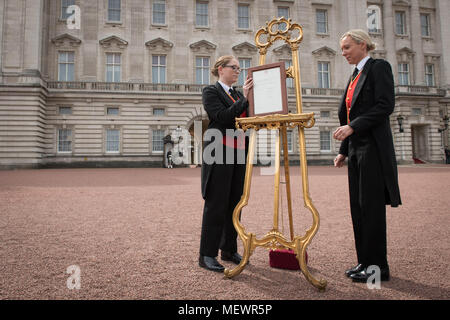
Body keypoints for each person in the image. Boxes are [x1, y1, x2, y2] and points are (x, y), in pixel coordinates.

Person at [333, 30, 401, 283]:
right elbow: (347, 113)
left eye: (347, 47)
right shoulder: (355, 75)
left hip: (373, 147)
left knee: (371, 209)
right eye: (342, 49)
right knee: (358, 207)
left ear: (363, 44)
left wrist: (354, 127)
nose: (344, 53)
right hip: (356, 149)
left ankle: (378, 268)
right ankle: (364, 261)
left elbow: (385, 106)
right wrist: (343, 151)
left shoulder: (378, 67)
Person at [199, 55, 253, 272]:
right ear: (221, 69)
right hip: (218, 151)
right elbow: (222, 117)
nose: (238, 71)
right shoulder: (210, 92)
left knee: (234, 203)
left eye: (240, 68)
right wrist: (245, 99)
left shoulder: (239, 94)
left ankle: (229, 250)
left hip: (238, 151)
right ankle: (207, 255)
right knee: (216, 204)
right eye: (234, 67)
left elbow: (246, 119)